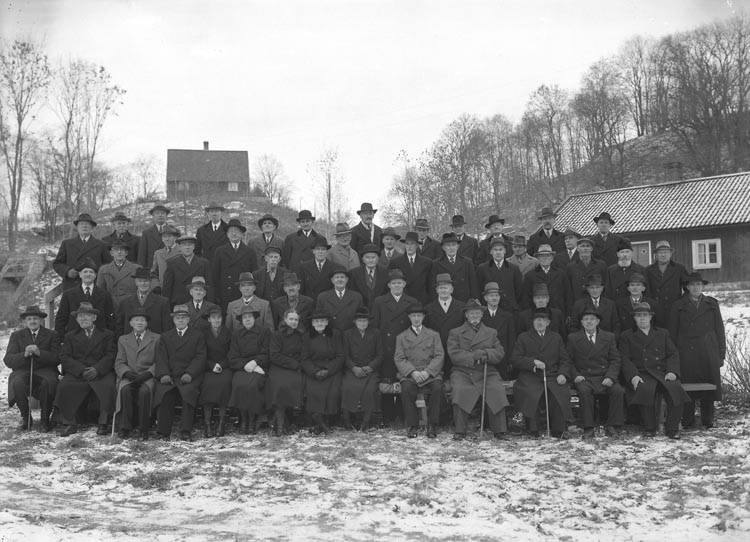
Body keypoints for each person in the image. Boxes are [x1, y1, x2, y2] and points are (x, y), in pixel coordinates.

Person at [620, 302, 688, 439]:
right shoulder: (627, 336)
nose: (642, 318)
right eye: (638, 316)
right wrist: (633, 376)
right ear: (634, 318)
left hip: (663, 373)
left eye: (645, 315)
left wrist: (672, 371)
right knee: (645, 390)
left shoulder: (662, 333)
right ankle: (650, 428)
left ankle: (672, 429)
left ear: (650, 317)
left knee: (677, 391)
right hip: (642, 373)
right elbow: (625, 359)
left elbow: (672, 354)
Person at [669, 272, 725, 430]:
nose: (695, 287)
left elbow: (719, 329)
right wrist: (673, 355)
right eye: (692, 284)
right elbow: (673, 332)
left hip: (708, 350)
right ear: (687, 287)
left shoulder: (712, 304)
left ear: (702, 286)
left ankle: (708, 419)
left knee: (709, 385)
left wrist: (721, 353)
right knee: (688, 385)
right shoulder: (678, 305)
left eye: (698, 284)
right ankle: (688, 420)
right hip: (685, 351)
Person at [447, 299, 510, 440]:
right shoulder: (455, 333)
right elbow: (454, 354)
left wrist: (487, 354)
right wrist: (472, 356)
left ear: (482, 315)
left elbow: (500, 352)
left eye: (477, 313)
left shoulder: (491, 332)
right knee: (460, 390)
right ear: (466, 315)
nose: (474, 316)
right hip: (463, 371)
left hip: (487, 371)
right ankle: (460, 430)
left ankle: (500, 430)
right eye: (471, 313)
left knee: (496, 390)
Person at [55, 302, 117, 437]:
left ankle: (103, 423)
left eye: (87, 316)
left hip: (100, 371)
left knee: (108, 385)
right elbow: (64, 356)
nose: (83, 319)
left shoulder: (107, 334)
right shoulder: (70, 336)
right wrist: (81, 370)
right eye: (80, 316)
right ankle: (69, 423)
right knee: (65, 385)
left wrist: (97, 369)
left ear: (94, 318)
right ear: (76, 320)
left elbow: (110, 354)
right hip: (79, 372)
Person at [511, 306, 573, 438]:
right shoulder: (524, 337)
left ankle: (558, 429)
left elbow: (564, 360)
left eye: (542, 320)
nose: (539, 323)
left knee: (559, 393)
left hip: (551, 375)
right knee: (531, 393)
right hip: (530, 376)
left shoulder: (556, 337)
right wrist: (532, 362)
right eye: (536, 320)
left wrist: (562, 374)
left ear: (548, 322)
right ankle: (533, 428)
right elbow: (516, 359)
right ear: (532, 322)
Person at [566, 307, 624, 438]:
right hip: (584, 377)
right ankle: (588, 426)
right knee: (584, 391)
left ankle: (612, 425)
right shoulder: (573, 338)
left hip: (604, 375)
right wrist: (575, 375)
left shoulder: (608, 337)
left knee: (618, 391)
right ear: (581, 322)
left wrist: (610, 376)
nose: (589, 322)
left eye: (592, 319)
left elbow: (615, 360)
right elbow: (567, 361)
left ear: (598, 321)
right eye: (586, 319)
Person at [154, 304, 207, 441]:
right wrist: (164, 374)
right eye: (178, 318)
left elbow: (200, 357)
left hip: (189, 375)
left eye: (183, 317)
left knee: (188, 393)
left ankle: (185, 430)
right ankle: (163, 431)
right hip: (170, 375)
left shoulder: (197, 335)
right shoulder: (166, 337)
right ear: (173, 320)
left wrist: (190, 373)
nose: (181, 320)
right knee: (165, 394)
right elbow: (161, 357)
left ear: (188, 319)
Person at [4, 306, 60, 432]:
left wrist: (40, 353)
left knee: (48, 382)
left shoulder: (52, 335)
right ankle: (26, 417)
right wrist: (23, 355)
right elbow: (8, 360)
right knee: (17, 382)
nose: (32, 321)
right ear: (25, 321)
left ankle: (45, 419)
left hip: (45, 371)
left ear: (41, 320)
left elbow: (57, 358)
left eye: (35, 318)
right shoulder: (16, 336)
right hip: (23, 370)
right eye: (29, 319)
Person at [394, 303, 445, 438]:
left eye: (419, 316)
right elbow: (399, 358)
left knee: (437, 388)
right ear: (410, 318)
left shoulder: (434, 335)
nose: (416, 319)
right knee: (406, 389)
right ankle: (412, 425)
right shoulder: (401, 337)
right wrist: (413, 372)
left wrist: (427, 372)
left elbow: (439, 355)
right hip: (411, 374)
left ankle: (433, 424)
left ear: (423, 317)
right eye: (413, 316)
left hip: (430, 373)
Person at [113, 309, 158, 440]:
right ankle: (125, 427)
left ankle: (144, 428)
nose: (139, 323)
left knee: (145, 392)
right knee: (125, 390)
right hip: (130, 375)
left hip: (147, 376)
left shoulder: (156, 338)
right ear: (131, 323)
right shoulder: (123, 339)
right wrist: (127, 373)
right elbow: (119, 361)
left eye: (142, 320)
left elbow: (159, 361)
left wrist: (149, 373)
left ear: (147, 323)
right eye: (136, 320)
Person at [228, 305, 271, 434]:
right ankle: (243, 420)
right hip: (241, 368)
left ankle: (252, 420)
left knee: (252, 387)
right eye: (245, 317)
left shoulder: (264, 332)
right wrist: (245, 365)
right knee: (239, 385)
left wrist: (255, 363)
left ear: (255, 318)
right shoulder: (236, 334)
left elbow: (267, 352)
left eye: (250, 317)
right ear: (241, 320)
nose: (247, 320)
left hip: (259, 367)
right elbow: (232, 356)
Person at [302, 311, 345, 434]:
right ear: (312, 323)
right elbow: (304, 359)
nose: (319, 323)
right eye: (316, 321)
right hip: (314, 371)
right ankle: (319, 422)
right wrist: (315, 372)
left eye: (322, 321)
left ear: (327, 322)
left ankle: (324, 421)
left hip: (331, 370)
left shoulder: (335, 335)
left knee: (334, 392)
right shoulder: (306, 336)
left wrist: (328, 370)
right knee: (313, 391)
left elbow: (340, 356)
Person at [341, 308, 383, 432]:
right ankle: (347, 420)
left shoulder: (376, 333)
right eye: (359, 321)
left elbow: (380, 354)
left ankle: (366, 420)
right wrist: (354, 368)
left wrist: (370, 367)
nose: (362, 323)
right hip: (353, 369)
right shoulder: (347, 334)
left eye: (365, 321)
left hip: (370, 369)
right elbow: (345, 355)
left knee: (370, 390)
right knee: (346, 388)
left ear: (368, 322)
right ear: (355, 322)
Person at [267, 309, 306, 436]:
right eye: (291, 319)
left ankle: (283, 421)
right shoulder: (277, 335)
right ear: (285, 320)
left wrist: (297, 364)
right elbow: (274, 355)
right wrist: (292, 363)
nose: (293, 322)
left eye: (296, 320)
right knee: (279, 385)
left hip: (295, 367)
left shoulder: (301, 335)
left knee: (293, 383)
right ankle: (280, 424)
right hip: (279, 366)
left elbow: (304, 353)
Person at [54, 258, 116, 337]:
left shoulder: (104, 294)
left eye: (91, 272)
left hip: (99, 338)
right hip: (74, 337)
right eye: (85, 272)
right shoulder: (68, 294)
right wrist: (61, 339)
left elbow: (110, 319)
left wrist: (109, 338)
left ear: (95, 275)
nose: (88, 274)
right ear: (80, 274)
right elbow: (61, 319)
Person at [199, 305, 233, 437]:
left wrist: (222, 364)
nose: (217, 320)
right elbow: (200, 353)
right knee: (207, 384)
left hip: (225, 367)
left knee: (225, 383)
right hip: (208, 367)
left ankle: (221, 422)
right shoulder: (203, 334)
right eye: (214, 318)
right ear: (209, 320)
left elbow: (232, 353)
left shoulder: (228, 333)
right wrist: (211, 365)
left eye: (219, 318)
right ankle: (207, 423)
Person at [53, 212, 110, 291]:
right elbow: (57, 263)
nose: (84, 226)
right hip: (72, 286)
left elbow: (108, 266)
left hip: (95, 287)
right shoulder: (67, 244)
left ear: (92, 227)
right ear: (77, 227)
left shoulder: (101, 245)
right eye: (81, 224)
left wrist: (99, 277)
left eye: (87, 224)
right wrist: (67, 271)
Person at [212, 218, 257, 313]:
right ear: (227, 234)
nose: (234, 233)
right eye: (231, 231)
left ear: (241, 234)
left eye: (236, 231)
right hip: (225, 294)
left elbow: (254, 275)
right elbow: (215, 275)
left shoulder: (250, 252)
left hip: (244, 294)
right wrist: (217, 295)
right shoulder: (219, 251)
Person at [424, 273, 466, 377]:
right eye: (441, 288)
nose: (443, 290)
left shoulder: (462, 307)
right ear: (436, 290)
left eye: (446, 288)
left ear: (451, 290)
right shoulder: (428, 309)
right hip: (436, 351)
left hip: (456, 350)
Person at [116, 267, 172, 336]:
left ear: (150, 282)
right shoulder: (125, 303)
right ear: (136, 282)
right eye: (140, 281)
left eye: (146, 281)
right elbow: (119, 327)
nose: (143, 283)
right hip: (131, 345)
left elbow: (167, 328)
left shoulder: (162, 302)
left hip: (154, 344)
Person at [646, 240, 689, 328]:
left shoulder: (679, 268)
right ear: (656, 255)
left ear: (670, 254)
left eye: (666, 252)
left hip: (673, 309)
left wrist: (680, 303)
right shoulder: (648, 270)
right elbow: (646, 290)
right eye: (660, 252)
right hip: (655, 310)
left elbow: (688, 288)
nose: (663, 255)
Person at [523, 244, 571, 319]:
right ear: (538, 258)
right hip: (537, 315)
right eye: (542, 256)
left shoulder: (561, 274)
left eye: (548, 255)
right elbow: (526, 298)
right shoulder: (530, 276)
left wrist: (568, 314)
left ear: (552, 258)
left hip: (558, 313)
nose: (545, 258)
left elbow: (568, 295)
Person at [162, 234, 212, 306]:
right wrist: (167, 306)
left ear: (194, 246)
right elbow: (167, 288)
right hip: (179, 303)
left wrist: (209, 305)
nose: (187, 247)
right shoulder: (172, 263)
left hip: (199, 303)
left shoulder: (204, 263)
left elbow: (209, 286)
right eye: (184, 245)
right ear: (179, 247)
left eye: (190, 244)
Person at [476, 237, 523, 311]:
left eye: (500, 249)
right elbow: (478, 289)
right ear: (491, 252)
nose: (498, 252)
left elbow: (519, 291)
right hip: (489, 309)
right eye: (495, 250)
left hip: (509, 309)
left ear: (505, 251)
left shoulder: (514, 269)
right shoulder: (482, 268)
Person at [481, 282, 516, 380]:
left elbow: (511, 340)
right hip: (486, 358)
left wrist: (510, 360)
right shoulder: (480, 316)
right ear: (485, 298)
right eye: (491, 296)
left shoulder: (507, 316)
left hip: (502, 359)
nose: (494, 298)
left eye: (497, 295)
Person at [431, 233, 479, 302]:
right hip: (445, 300)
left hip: (464, 301)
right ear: (443, 248)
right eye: (448, 245)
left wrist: (474, 299)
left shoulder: (467, 262)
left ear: (458, 246)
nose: (451, 248)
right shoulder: (436, 263)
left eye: (453, 245)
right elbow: (433, 286)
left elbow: (473, 284)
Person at [388, 231, 432, 304]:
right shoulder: (395, 262)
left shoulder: (427, 262)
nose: (409, 246)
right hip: (403, 301)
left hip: (421, 301)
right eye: (407, 244)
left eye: (412, 244)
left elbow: (429, 284)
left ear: (417, 245)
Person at [96, 239, 139, 310]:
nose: (119, 252)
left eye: (122, 249)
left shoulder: (136, 268)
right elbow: (99, 292)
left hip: (131, 306)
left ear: (126, 253)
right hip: (111, 306)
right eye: (116, 250)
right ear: (111, 253)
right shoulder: (104, 269)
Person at [565, 236, 607, 302]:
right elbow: (568, 289)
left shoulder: (601, 265)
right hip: (578, 301)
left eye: (587, 246)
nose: (585, 248)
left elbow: (605, 284)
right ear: (577, 249)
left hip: (595, 301)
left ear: (591, 249)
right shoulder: (571, 267)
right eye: (582, 246)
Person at [349, 243, 389, 309]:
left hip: (380, 309)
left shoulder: (385, 273)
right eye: (367, 257)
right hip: (360, 310)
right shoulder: (354, 273)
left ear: (378, 258)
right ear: (363, 259)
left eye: (373, 257)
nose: (370, 260)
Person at [149, 225, 181, 293]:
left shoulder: (182, 252)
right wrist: (156, 286)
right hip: (162, 291)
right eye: (164, 237)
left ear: (175, 237)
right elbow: (153, 274)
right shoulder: (158, 253)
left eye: (169, 236)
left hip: (178, 291)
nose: (167, 239)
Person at [138, 204, 171, 270]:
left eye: (162, 213)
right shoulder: (146, 233)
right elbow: (142, 255)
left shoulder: (175, 232)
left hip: (170, 267)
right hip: (152, 269)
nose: (160, 215)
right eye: (157, 213)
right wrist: (143, 271)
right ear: (153, 216)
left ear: (166, 215)